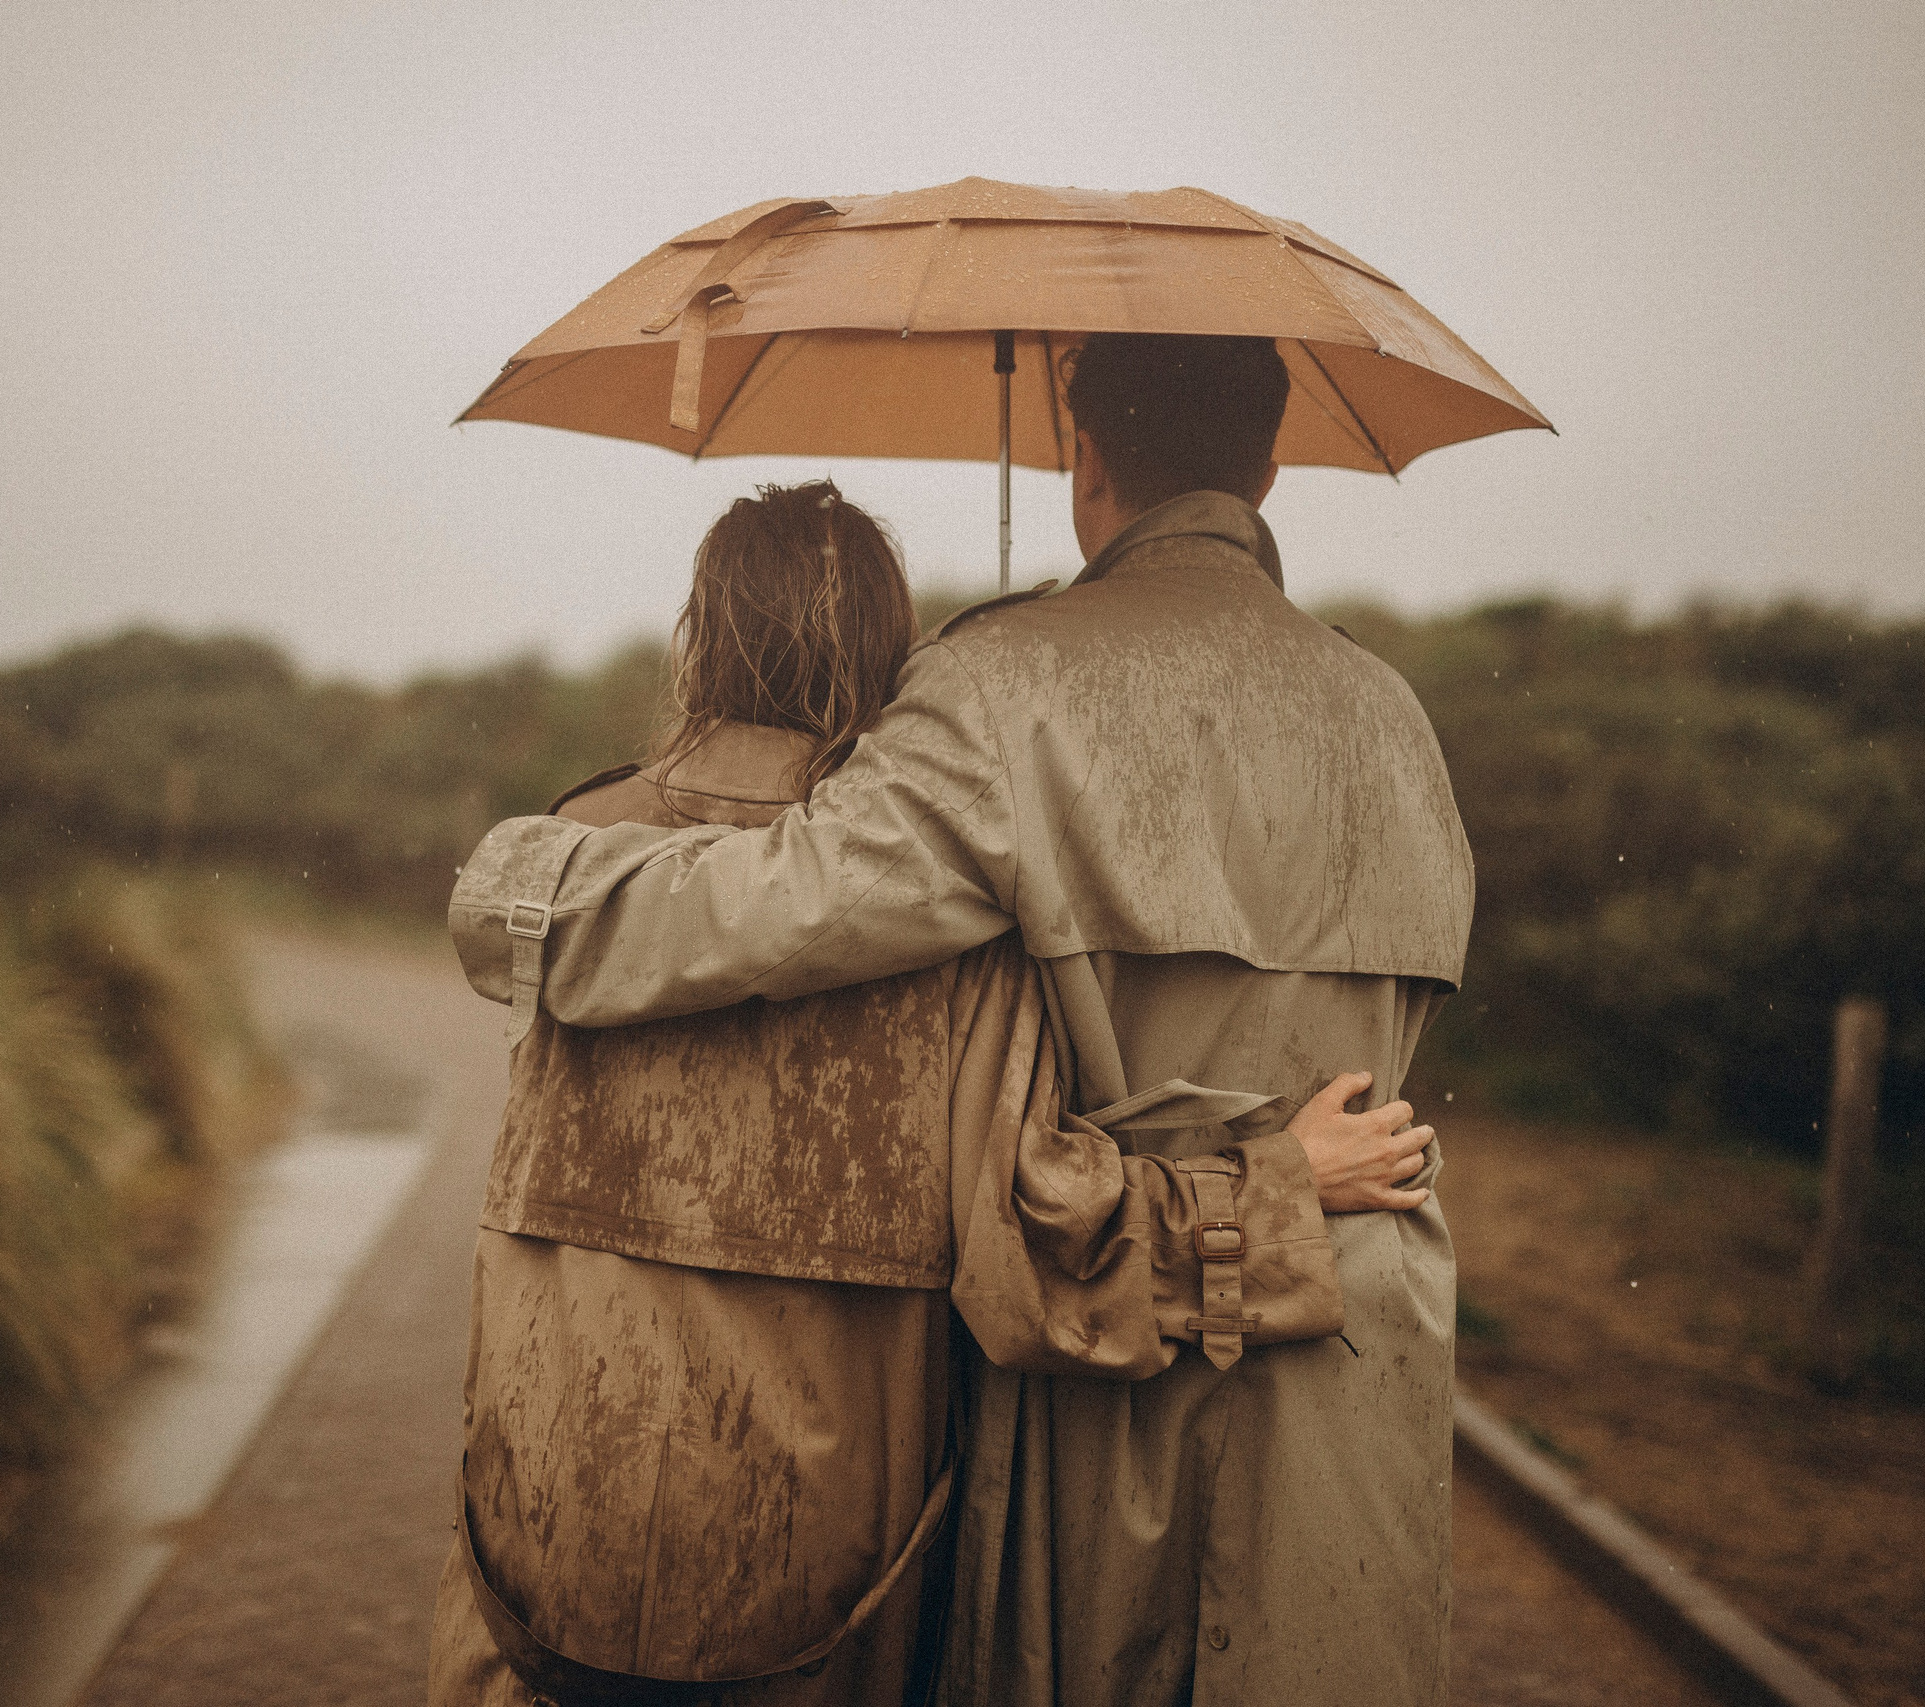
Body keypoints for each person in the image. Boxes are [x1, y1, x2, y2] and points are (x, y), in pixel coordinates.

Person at [431, 477, 1437, 1706]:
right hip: (814, 1566)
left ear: (698, 633)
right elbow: (1037, 1251)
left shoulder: (586, 838)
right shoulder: (942, 908)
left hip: (542, 1522)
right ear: (891, 651)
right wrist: (1277, 1189)